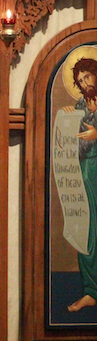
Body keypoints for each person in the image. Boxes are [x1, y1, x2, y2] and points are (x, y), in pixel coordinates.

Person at [65, 58, 97, 312]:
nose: (85, 83)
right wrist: (70, 118)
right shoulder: (80, 105)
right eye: (80, 81)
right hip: (86, 169)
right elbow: (75, 138)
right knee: (86, 228)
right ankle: (91, 290)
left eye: (87, 77)